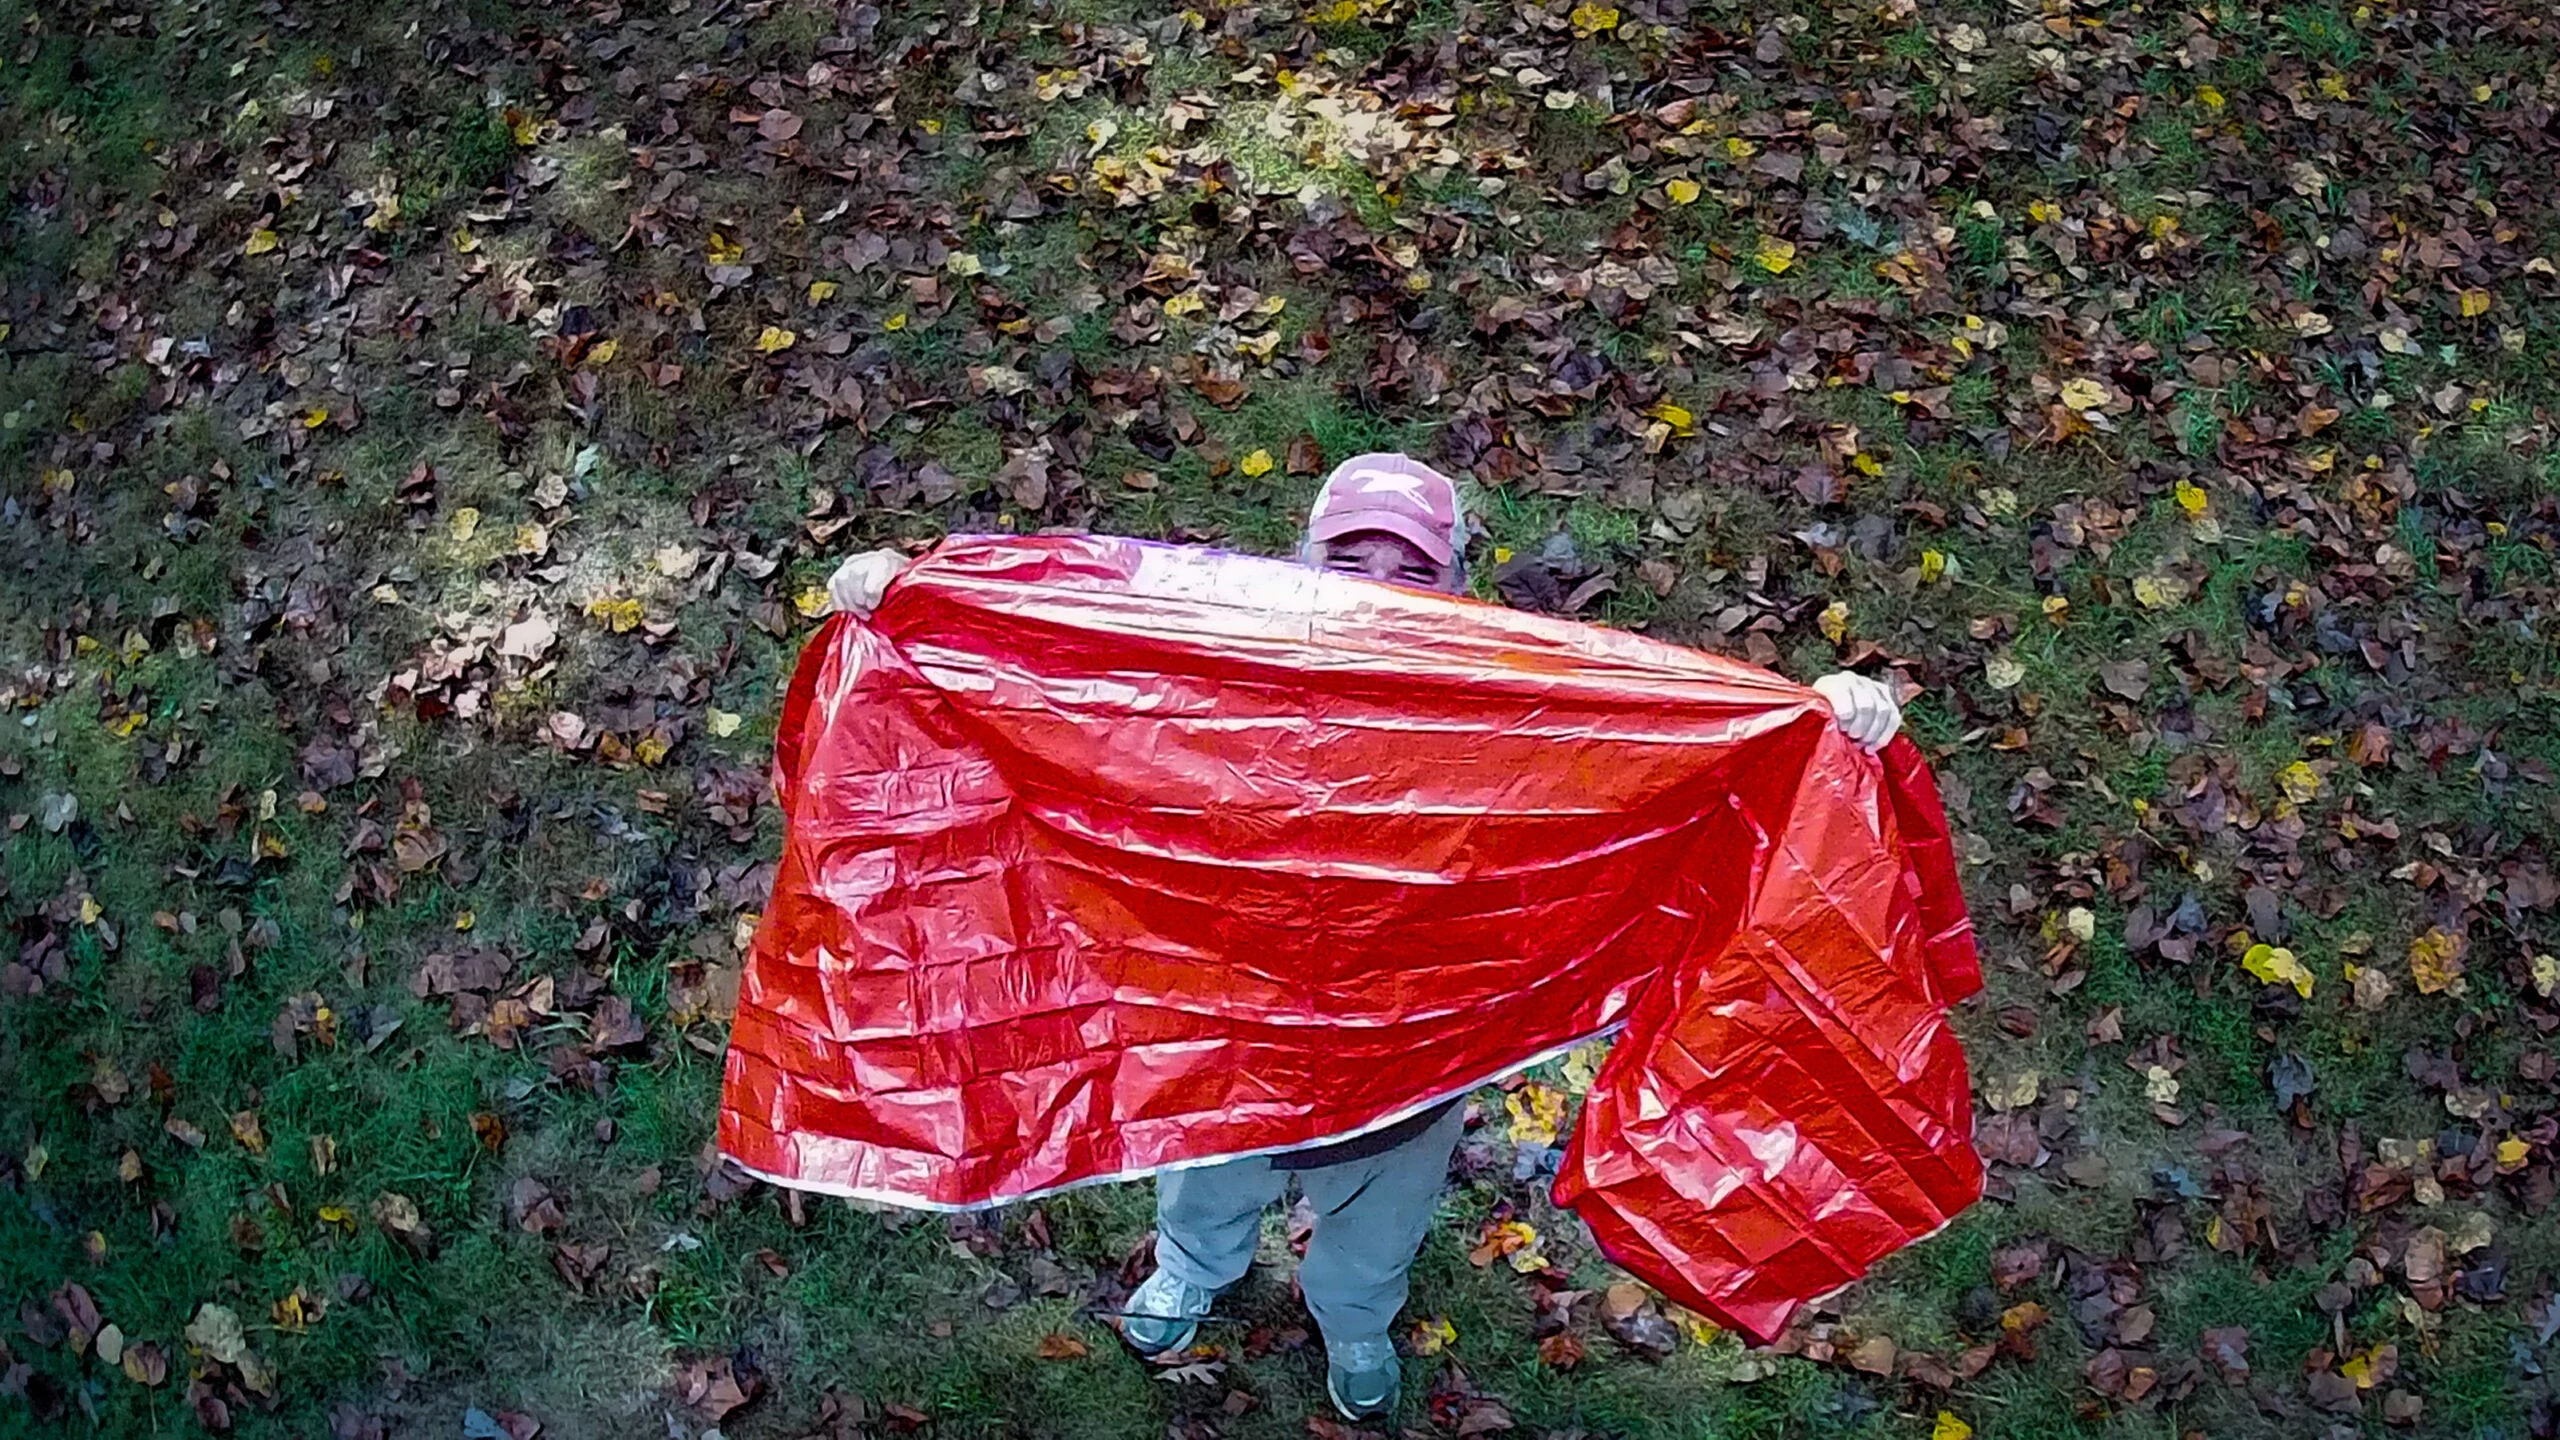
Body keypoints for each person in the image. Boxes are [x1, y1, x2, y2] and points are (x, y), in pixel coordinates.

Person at [822, 454, 1902, 1421]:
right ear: (1302, 560)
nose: (1378, 576)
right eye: (1350, 551)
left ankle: (1352, 1325)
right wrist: (907, 595)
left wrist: (1818, 717)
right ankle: (1193, 1273)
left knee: (1369, 1251)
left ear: (1457, 585)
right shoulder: (1220, 666)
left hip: (1409, 1074)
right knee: (1205, 1200)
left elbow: (1667, 743)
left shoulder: (1515, 700)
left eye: (1412, 563)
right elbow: (1061, 676)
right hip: (1221, 1055)